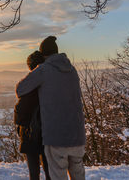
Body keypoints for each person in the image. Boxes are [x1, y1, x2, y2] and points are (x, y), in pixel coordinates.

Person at [16, 36, 86, 180]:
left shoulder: (44, 69)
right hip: (78, 136)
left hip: (56, 137)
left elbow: (21, 89)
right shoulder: (72, 70)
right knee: (78, 175)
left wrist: (35, 70)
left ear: (44, 54)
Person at [14, 50, 51, 180]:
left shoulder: (28, 87)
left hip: (30, 135)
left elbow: (20, 112)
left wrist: (20, 128)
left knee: (34, 173)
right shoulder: (49, 85)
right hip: (47, 133)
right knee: (49, 170)